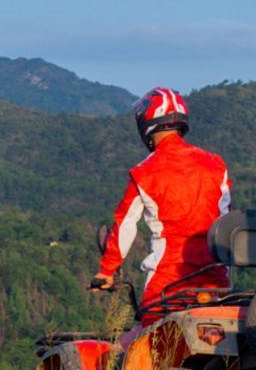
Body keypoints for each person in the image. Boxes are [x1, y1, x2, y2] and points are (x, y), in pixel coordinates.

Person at [89, 87, 232, 316]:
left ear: (146, 124)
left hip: (168, 281)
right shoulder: (216, 164)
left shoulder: (144, 172)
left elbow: (125, 225)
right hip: (216, 280)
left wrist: (106, 271)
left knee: (148, 346)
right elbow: (227, 221)